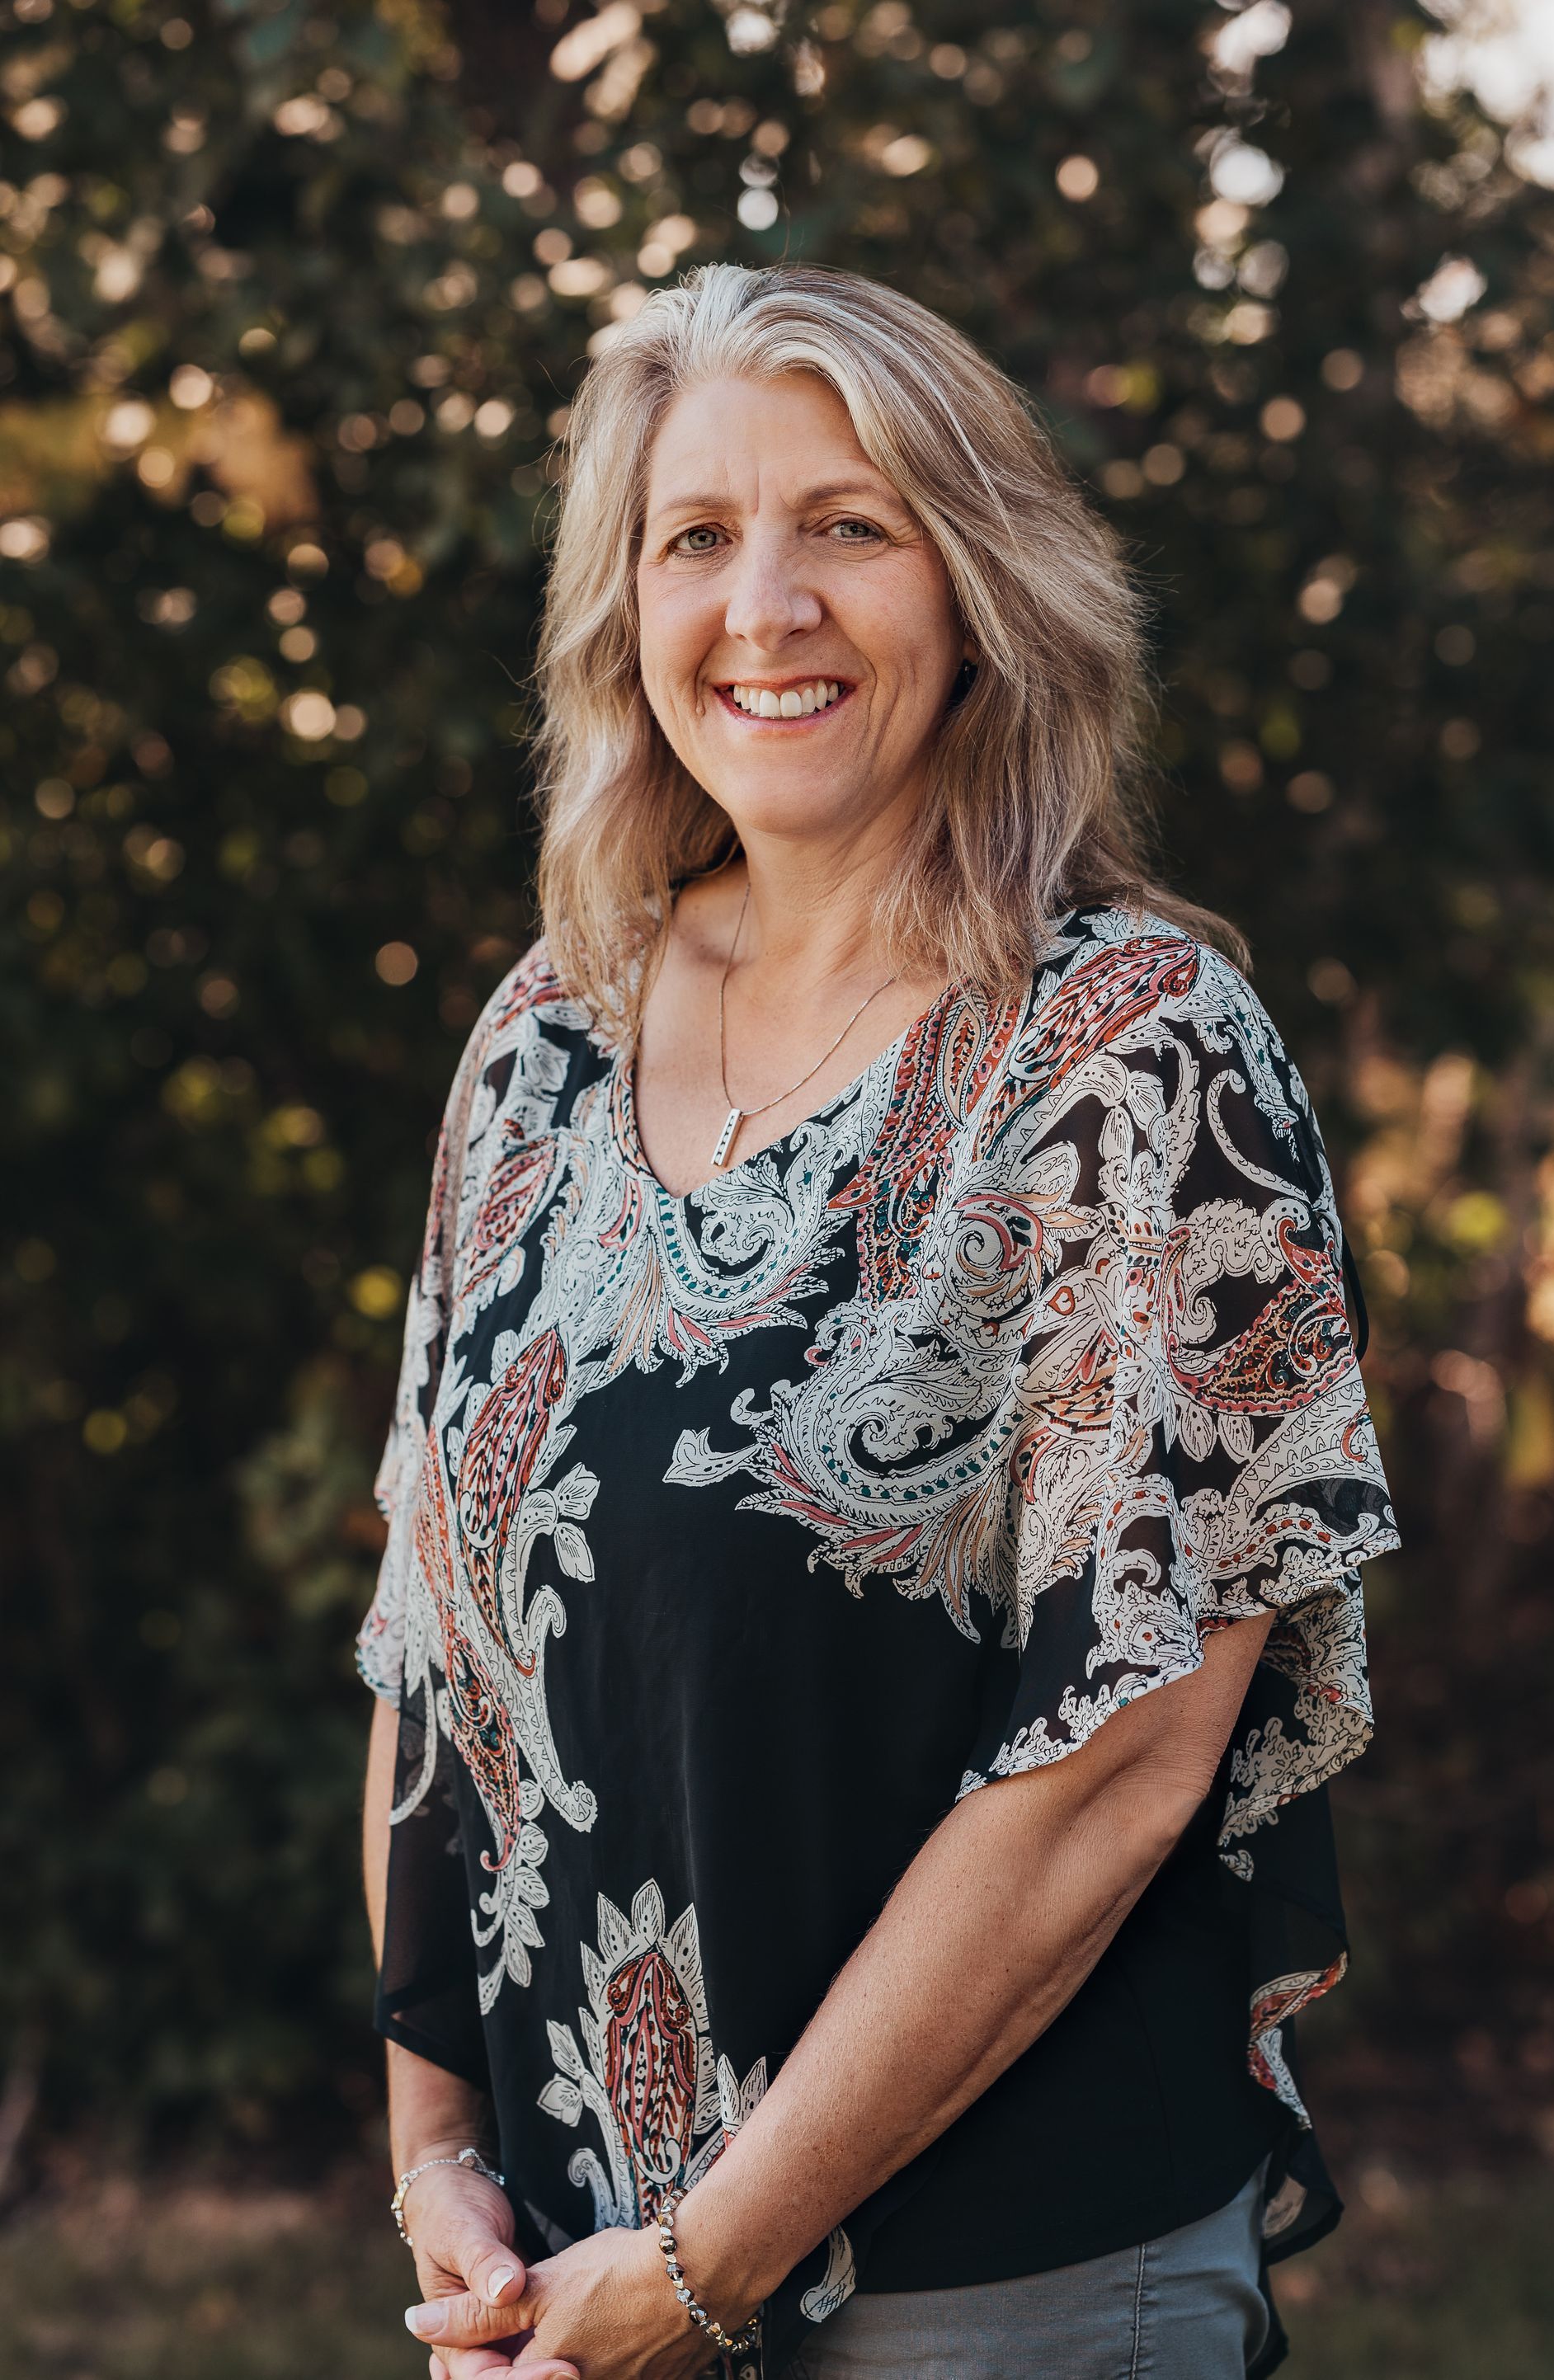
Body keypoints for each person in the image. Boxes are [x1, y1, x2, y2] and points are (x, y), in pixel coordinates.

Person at [356, 262, 1397, 2380]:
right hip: (562, 2290)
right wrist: (439, 2161)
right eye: (696, 538)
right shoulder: (549, 1032)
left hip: (993, 2292)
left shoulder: (1133, 1059)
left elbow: (1113, 1768)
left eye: (852, 523)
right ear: (621, 613)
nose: (769, 606)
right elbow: (427, 1626)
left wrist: (699, 2271)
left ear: (982, 582)